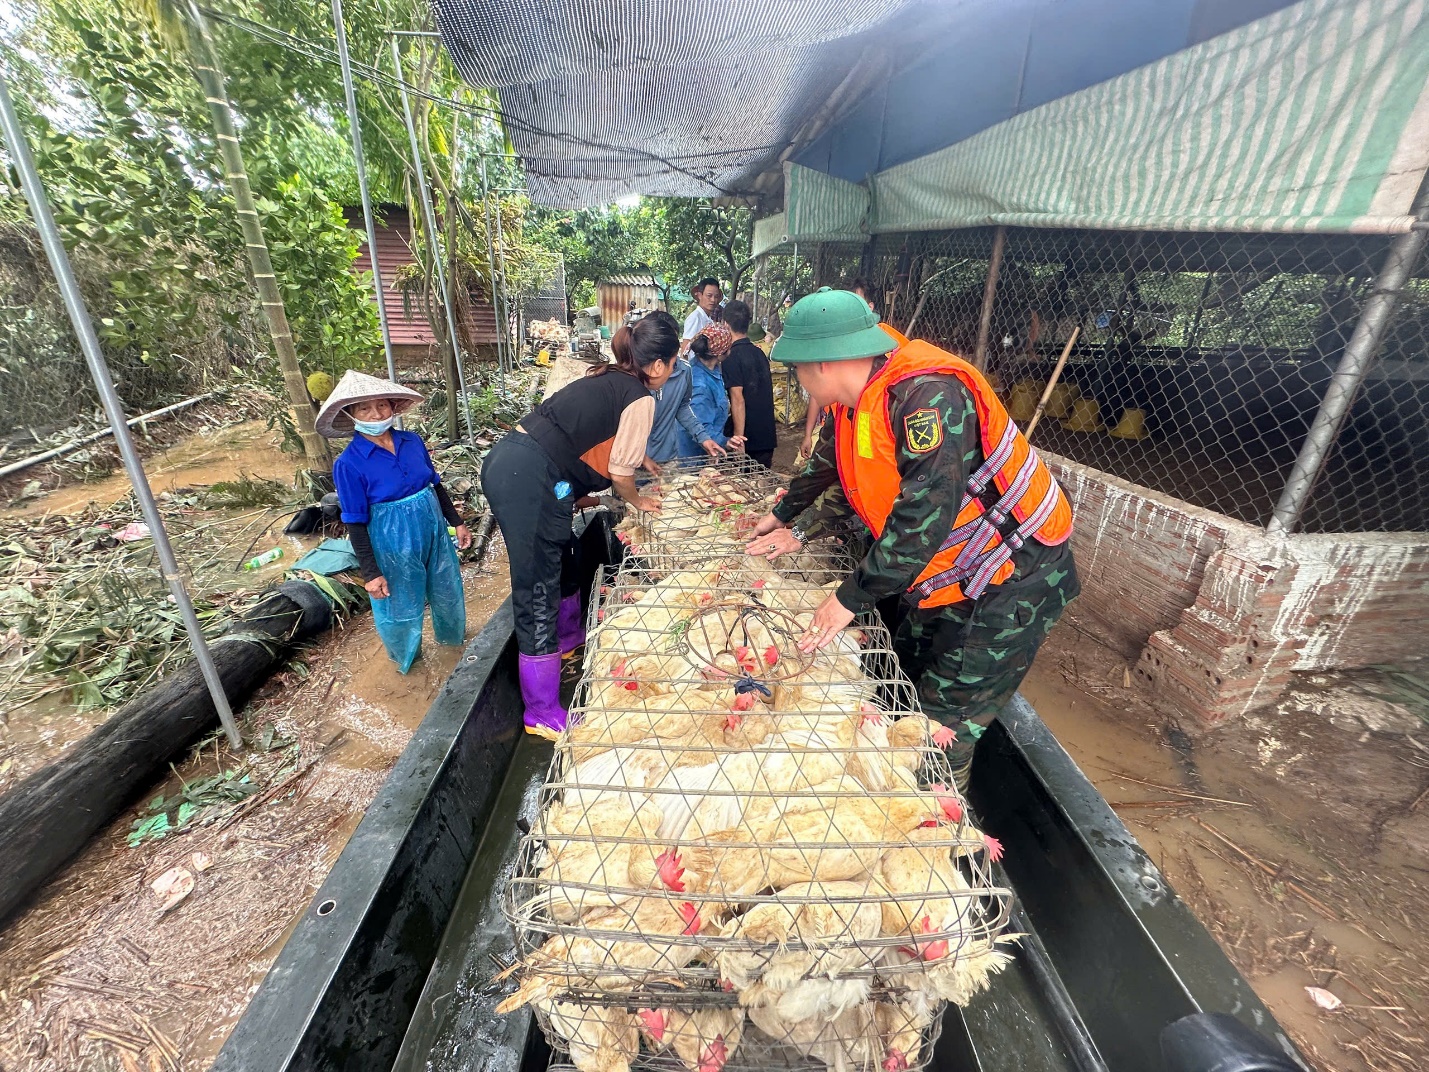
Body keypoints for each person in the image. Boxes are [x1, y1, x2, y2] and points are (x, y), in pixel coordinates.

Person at [743, 288, 1080, 790]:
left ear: (823, 364)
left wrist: (847, 600)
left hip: (1009, 579)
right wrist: (786, 517)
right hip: (944, 573)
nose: (796, 378)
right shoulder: (857, 399)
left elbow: (921, 522)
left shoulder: (928, 398)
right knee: (900, 679)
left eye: (796, 368)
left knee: (937, 732)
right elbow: (839, 469)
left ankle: (942, 840)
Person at [481, 317, 671, 737]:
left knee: (563, 553)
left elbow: (578, 441)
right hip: (528, 476)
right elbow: (621, 475)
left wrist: (632, 466)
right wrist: (639, 501)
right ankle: (541, 711)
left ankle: (568, 641)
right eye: (673, 363)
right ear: (658, 366)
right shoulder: (640, 396)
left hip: (519, 465)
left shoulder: (607, 378)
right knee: (536, 590)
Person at [320, 371, 470, 674]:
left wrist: (457, 522)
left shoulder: (412, 441)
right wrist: (371, 573)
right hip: (391, 539)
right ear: (351, 415)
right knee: (399, 604)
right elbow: (354, 521)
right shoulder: (348, 464)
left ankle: (454, 646)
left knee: (447, 588)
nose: (376, 414)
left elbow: (435, 485)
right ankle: (407, 662)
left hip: (433, 528)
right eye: (364, 408)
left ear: (392, 407)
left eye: (382, 406)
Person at [801, 280, 881, 458]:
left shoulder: (884, 347)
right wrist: (808, 435)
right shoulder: (837, 350)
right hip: (843, 432)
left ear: (870, 306)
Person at [644, 311, 725, 464]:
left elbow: (682, 407)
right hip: (633, 462)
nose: (670, 349)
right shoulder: (633, 374)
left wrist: (703, 437)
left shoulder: (684, 371)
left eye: (673, 343)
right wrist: (640, 458)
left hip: (667, 459)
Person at [720, 300, 777, 469]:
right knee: (761, 489)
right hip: (767, 435)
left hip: (748, 439)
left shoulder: (731, 357)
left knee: (743, 490)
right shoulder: (759, 353)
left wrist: (738, 439)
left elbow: (738, 399)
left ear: (725, 324)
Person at [676, 321, 742, 460]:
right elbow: (700, 426)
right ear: (720, 354)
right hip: (693, 456)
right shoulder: (700, 385)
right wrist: (725, 442)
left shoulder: (711, 370)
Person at [680, 277, 723, 352]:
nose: (713, 300)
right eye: (709, 296)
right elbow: (686, 348)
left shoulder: (709, 319)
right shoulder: (695, 318)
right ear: (700, 295)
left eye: (716, 296)